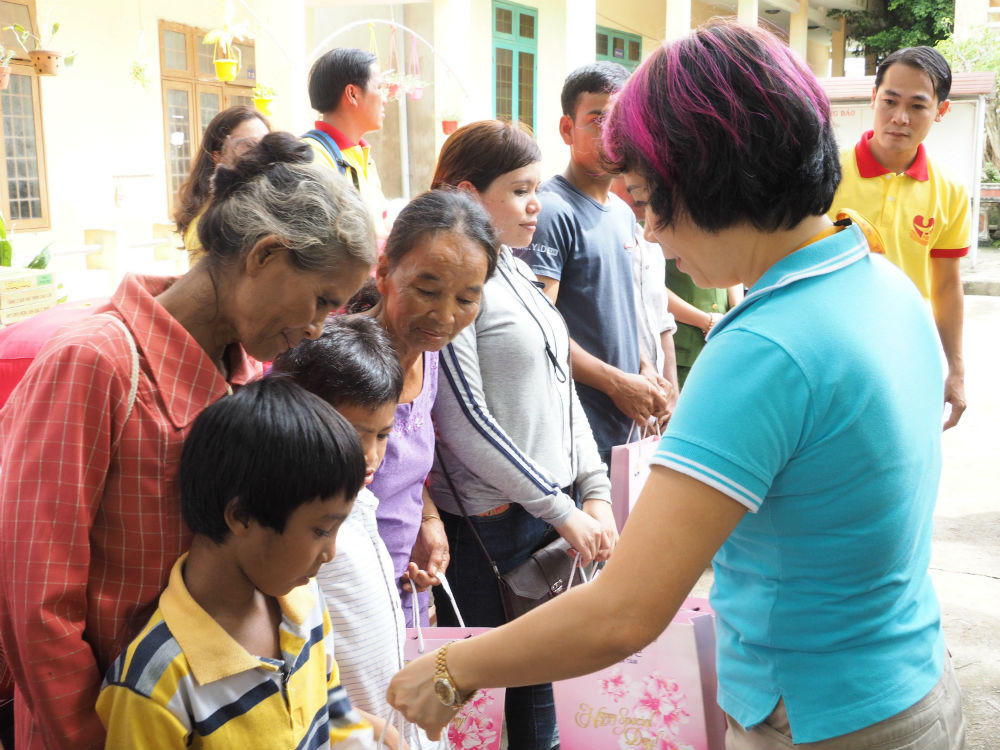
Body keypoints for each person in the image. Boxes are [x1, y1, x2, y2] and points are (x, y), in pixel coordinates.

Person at [388, 20, 965, 750]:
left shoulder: (763, 349)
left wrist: (451, 666)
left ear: (707, 177)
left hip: (827, 719)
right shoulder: (879, 281)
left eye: (647, 198)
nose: (651, 230)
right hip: (909, 680)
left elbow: (623, 613)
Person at [0, 132, 375, 750]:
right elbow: (37, 606)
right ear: (265, 255)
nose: (315, 329)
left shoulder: (244, 373)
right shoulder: (97, 365)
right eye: (320, 301)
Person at [428, 120, 615, 749]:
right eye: (519, 190)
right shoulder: (457, 287)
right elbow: (464, 424)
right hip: (492, 522)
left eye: (536, 188)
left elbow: (563, 396)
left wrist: (595, 492)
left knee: (540, 690)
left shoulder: (516, 271)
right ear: (466, 194)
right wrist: (562, 508)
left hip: (544, 513)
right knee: (488, 707)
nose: (537, 204)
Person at [97, 377, 374, 749]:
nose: (330, 553)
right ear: (242, 517)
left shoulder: (305, 604)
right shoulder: (155, 687)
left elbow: (333, 712)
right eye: (321, 530)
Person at [347, 189, 500, 627]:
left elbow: (401, 474)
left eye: (466, 299)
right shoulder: (338, 367)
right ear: (383, 273)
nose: (444, 316)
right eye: (427, 290)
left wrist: (427, 520)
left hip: (405, 592)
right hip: (345, 605)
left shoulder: (429, 356)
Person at [271, 316, 421, 750]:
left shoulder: (360, 502)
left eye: (383, 435)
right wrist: (366, 727)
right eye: (356, 436)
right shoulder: (295, 530)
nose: (371, 457)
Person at [516, 62, 671, 465]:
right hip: (578, 431)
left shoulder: (621, 212)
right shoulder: (550, 211)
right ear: (567, 129)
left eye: (619, 120)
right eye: (596, 120)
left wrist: (643, 367)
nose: (610, 134)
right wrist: (617, 383)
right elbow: (538, 330)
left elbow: (622, 308)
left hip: (625, 424)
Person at [831, 46, 971, 429]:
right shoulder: (825, 175)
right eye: (890, 101)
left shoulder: (951, 192)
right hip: (826, 350)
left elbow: (946, 286)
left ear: (940, 111)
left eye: (918, 106)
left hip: (905, 352)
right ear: (873, 97)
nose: (899, 118)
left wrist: (955, 369)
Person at [305, 47, 390, 240]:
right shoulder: (313, 158)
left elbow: (380, 221)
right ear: (352, 94)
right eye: (379, 88)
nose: (385, 99)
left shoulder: (362, 155)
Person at [174, 105, 271, 265]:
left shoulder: (260, 207)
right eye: (249, 146)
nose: (262, 156)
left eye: (266, 145)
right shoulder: (210, 224)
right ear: (218, 157)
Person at [610, 176, 679, 397]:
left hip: (655, 396)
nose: (637, 192)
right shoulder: (602, 237)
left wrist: (673, 394)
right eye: (625, 177)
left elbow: (662, 322)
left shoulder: (648, 241)